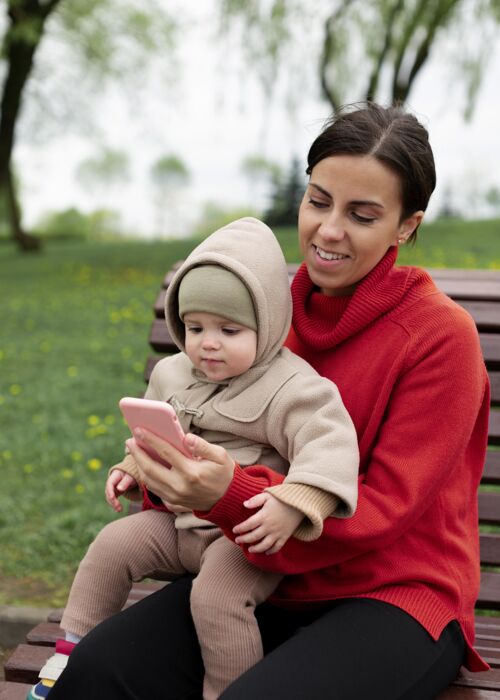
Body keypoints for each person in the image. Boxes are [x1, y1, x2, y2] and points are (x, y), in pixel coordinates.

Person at [46, 102, 490, 700]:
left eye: (362, 214)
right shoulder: (255, 323)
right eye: (318, 201)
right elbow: (208, 436)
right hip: (257, 574)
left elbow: (381, 510)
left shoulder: (439, 337)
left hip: (390, 594)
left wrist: (227, 493)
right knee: (100, 671)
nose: (329, 230)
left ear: (407, 225)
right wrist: (160, 472)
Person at [28, 217, 359, 700]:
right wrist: (133, 468)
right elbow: (158, 438)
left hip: (245, 536)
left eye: (229, 329)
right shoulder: (173, 373)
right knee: (111, 546)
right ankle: (70, 651)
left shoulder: (296, 387)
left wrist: (293, 501)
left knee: (217, 598)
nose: (208, 343)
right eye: (195, 326)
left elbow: (328, 445)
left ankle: (226, 690)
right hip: (180, 525)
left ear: (267, 324)